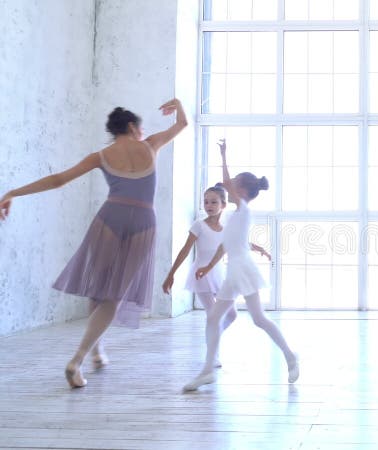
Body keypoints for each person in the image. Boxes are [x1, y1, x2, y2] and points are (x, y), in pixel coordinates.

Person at [0, 99, 188, 387]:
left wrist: (13, 191)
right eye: (140, 127)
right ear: (132, 127)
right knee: (114, 296)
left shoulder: (101, 156)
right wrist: (177, 106)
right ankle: (77, 360)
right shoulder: (150, 145)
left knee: (99, 287)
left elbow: (58, 180)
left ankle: (98, 351)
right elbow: (182, 124)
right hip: (143, 222)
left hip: (110, 217)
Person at [182, 138, 298, 391]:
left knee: (254, 319)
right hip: (236, 268)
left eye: (234, 184)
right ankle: (207, 370)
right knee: (216, 318)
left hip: (241, 269)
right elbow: (226, 245)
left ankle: (290, 355)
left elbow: (224, 183)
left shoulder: (243, 208)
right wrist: (209, 267)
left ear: (242, 192)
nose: (229, 185)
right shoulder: (235, 215)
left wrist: (224, 155)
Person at [161, 183, 270, 367]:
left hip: (219, 273)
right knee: (213, 316)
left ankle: (211, 341)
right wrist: (171, 274)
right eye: (206, 202)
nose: (209, 206)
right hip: (201, 275)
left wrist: (259, 248)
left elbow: (239, 242)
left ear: (223, 205)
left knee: (231, 315)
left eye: (213, 202)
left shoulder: (227, 226)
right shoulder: (199, 225)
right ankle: (213, 355)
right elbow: (185, 250)